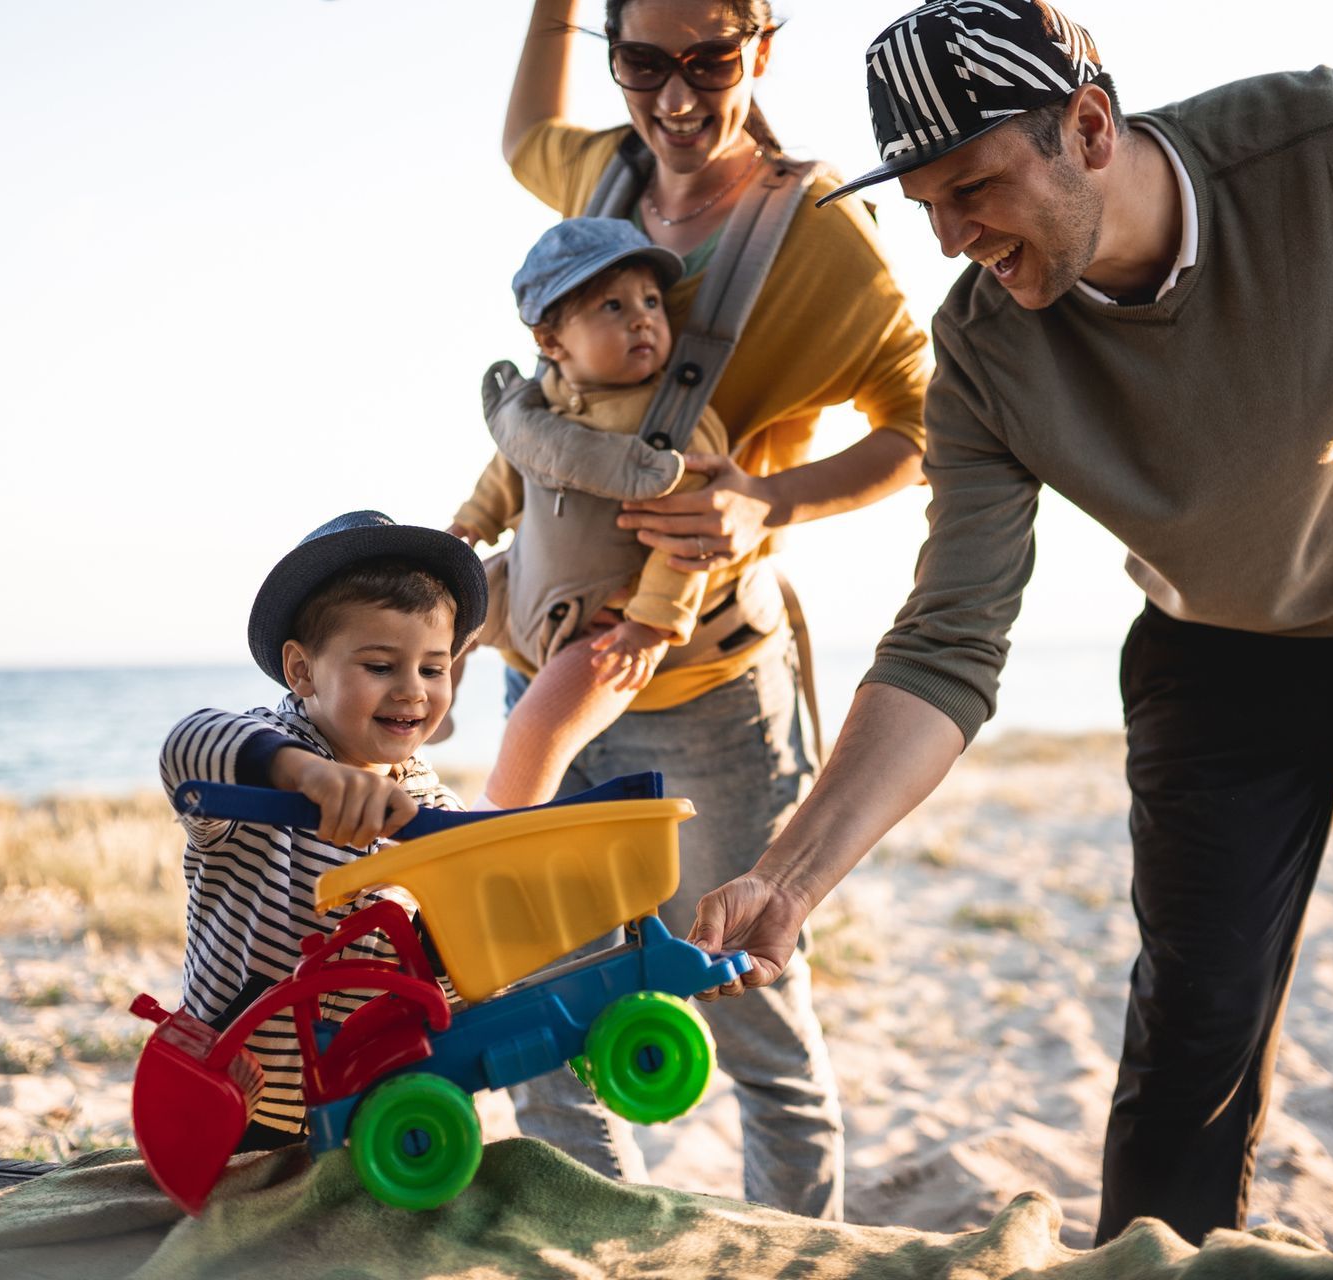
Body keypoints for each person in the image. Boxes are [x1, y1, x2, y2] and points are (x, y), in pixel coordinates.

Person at [687, 0, 1333, 1247]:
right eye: (928, 210)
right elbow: (949, 640)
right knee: (1191, 1032)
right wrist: (787, 880)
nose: (955, 239)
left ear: (1091, 125)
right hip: (1214, 655)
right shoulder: (984, 358)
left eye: (976, 190)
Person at [495, 0, 934, 1219]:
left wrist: (770, 502)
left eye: (711, 62)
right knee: (537, 1010)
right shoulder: (600, 170)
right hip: (541, 676)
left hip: (711, 699)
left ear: (763, 47)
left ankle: (794, 1252)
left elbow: (923, 422)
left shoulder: (824, 236)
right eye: (644, 63)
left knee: (750, 1015)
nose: (677, 100)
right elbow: (526, 125)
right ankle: (588, 1241)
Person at [159, 510, 487, 1148]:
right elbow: (186, 743)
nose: (412, 692)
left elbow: (451, 967)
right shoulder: (267, 760)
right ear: (303, 671)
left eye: (432, 668)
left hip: (363, 1109)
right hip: (234, 1099)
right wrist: (305, 775)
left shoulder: (427, 798)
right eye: (380, 665)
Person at [450, 217, 741, 811]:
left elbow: (687, 540)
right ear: (552, 344)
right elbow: (512, 464)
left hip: (605, 620)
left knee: (540, 721)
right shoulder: (541, 403)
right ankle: (425, 726)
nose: (643, 318)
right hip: (525, 580)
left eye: (652, 302)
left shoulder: (675, 421)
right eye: (613, 306)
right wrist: (473, 523)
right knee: (437, 611)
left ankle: (496, 817)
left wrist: (650, 625)